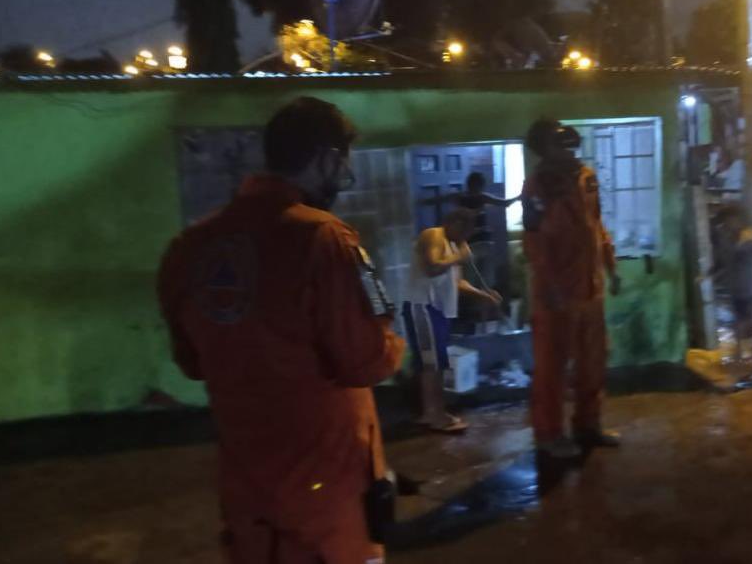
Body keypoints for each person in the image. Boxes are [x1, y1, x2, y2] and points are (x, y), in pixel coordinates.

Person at [157, 96, 405, 564]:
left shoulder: (188, 247)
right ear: (327, 158)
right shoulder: (325, 239)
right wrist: (396, 345)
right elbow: (366, 360)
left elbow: (191, 362)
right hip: (327, 500)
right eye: (343, 161)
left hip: (250, 496)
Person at [521, 118, 622, 459]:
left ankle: (588, 426)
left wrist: (611, 267)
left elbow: (597, 226)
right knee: (552, 368)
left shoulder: (586, 178)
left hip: (590, 288)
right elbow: (534, 243)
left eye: (567, 141)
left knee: (593, 362)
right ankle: (549, 436)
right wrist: (550, 287)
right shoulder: (537, 187)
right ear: (543, 149)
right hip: (555, 295)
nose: (567, 147)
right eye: (557, 142)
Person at [403, 208, 502, 433]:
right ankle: (434, 415)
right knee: (432, 364)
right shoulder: (433, 235)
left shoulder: (453, 245)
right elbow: (432, 267)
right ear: (454, 223)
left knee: (435, 362)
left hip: (438, 310)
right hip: (423, 306)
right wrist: (459, 256)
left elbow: (458, 283)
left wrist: (484, 295)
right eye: (465, 231)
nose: (466, 237)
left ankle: (434, 411)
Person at [419, 172, 519, 295]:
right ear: (479, 185)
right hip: (480, 243)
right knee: (482, 279)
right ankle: (482, 301)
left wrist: (423, 201)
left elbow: (440, 199)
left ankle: (478, 301)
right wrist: (520, 197)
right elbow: (505, 203)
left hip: (472, 244)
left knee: (472, 279)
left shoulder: (461, 197)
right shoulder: (481, 197)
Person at [712, 202, 752, 386]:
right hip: (736, 291)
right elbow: (722, 262)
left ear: (737, 219)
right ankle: (741, 369)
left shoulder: (750, 236)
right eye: (725, 222)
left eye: (729, 220)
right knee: (739, 331)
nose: (727, 224)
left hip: (751, 290)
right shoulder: (726, 238)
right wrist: (708, 275)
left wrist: (749, 242)